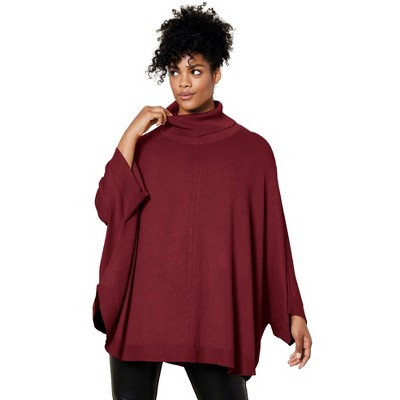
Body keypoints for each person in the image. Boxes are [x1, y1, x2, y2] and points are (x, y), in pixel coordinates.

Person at [93, 3, 312, 399]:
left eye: (195, 71)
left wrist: (293, 311)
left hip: (214, 314)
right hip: (143, 307)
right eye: (174, 71)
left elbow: (271, 236)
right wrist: (131, 133)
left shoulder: (252, 152)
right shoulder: (147, 147)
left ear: (216, 74)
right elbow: (108, 207)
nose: (183, 83)